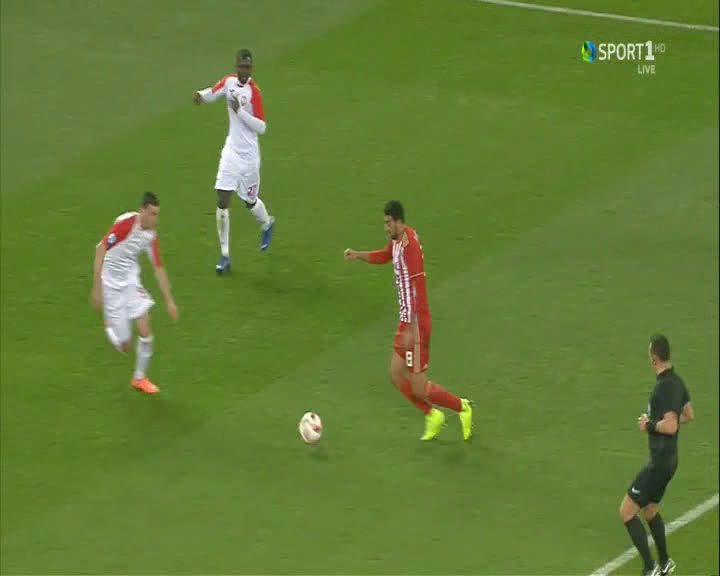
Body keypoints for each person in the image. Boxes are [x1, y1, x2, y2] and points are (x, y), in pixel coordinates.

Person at [344, 200, 472, 440]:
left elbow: (419, 287)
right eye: (385, 223)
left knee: (419, 388)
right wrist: (358, 255)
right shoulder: (398, 241)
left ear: (399, 222)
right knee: (395, 375)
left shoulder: (409, 246)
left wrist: (414, 329)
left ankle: (462, 407)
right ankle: (432, 415)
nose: (385, 228)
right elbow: (385, 255)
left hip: (416, 324)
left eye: (388, 223)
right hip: (406, 322)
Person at [193, 48, 274, 274]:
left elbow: (262, 127)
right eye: (241, 66)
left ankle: (267, 223)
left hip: (249, 157)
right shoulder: (228, 82)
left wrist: (240, 112)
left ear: (251, 68)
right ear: (236, 66)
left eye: (247, 67)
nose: (244, 70)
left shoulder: (254, 92)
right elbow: (213, 92)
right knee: (222, 198)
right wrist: (200, 95)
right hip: (231, 152)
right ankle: (225, 255)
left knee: (249, 201)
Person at [619, 334, 693, 575]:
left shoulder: (664, 387)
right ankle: (665, 562)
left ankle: (649, 569)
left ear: (653, 358)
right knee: (650, 510)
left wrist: (649, 425)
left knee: (627, 511)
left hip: (659, 463)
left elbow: (671, 426)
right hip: (670, 462)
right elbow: (688, 415)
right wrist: (661, 422)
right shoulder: (677, 382)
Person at [91, 192, 178, 393]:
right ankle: (109, 326)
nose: (155, 219)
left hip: (131, 282)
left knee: (146, 330)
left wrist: (169, 301)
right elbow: (100, 249)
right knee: (125, 345)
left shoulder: (151, 235)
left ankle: (139, 378)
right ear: (142, 211)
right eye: (152, 214)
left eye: (157, 215)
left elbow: (158, 268)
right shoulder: (126, 225)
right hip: (111, 285)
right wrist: (97, 288)